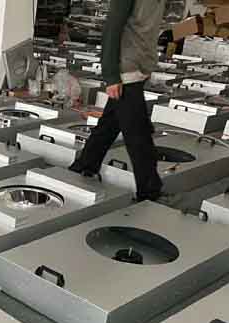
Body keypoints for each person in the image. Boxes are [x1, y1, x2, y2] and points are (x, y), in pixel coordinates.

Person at [69, 0, 167, 202]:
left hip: (139, 65)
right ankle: (150, 192)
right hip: (126, 70)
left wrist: (148, 64)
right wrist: (111, 76)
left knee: (109, 126)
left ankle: (83, 166)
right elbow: (112, 29)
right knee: (138, 134)